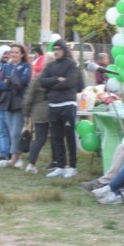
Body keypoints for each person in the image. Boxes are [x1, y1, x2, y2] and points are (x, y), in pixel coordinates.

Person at [39, 39, 83, 178]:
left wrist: (51, 85)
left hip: (67, 105)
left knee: (69, 136)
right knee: (56, 137)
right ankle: (60, 165)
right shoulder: (50, 65)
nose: (56, 51)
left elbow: (71, 83)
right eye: (54, 49)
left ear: (64, 50)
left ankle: (72, 165)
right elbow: (42, 81)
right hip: (53, 106)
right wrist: (57, 80)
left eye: (59, 49)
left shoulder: (71, 65)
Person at [0, 44, 32, 169]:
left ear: (22, 54)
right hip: (8, 102)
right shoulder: (6, 67)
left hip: (19, 103)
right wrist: (10, 82)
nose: (13, 54)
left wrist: (10, 80)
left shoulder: (26, 67)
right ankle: (16, 157)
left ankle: (15, 158)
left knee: (16, 132)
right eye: (12, 52)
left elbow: (22, 83)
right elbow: (0, 84)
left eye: (16, 52)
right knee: (11, 131)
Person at [21, 68, 50, 175]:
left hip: (38, 112)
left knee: (39, 139)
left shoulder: (37, 78)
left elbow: (29, 97)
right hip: (51, 109)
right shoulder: (53, 77)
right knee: (57, 139)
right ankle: (58, 163)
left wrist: (26, 114)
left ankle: (31, 163)